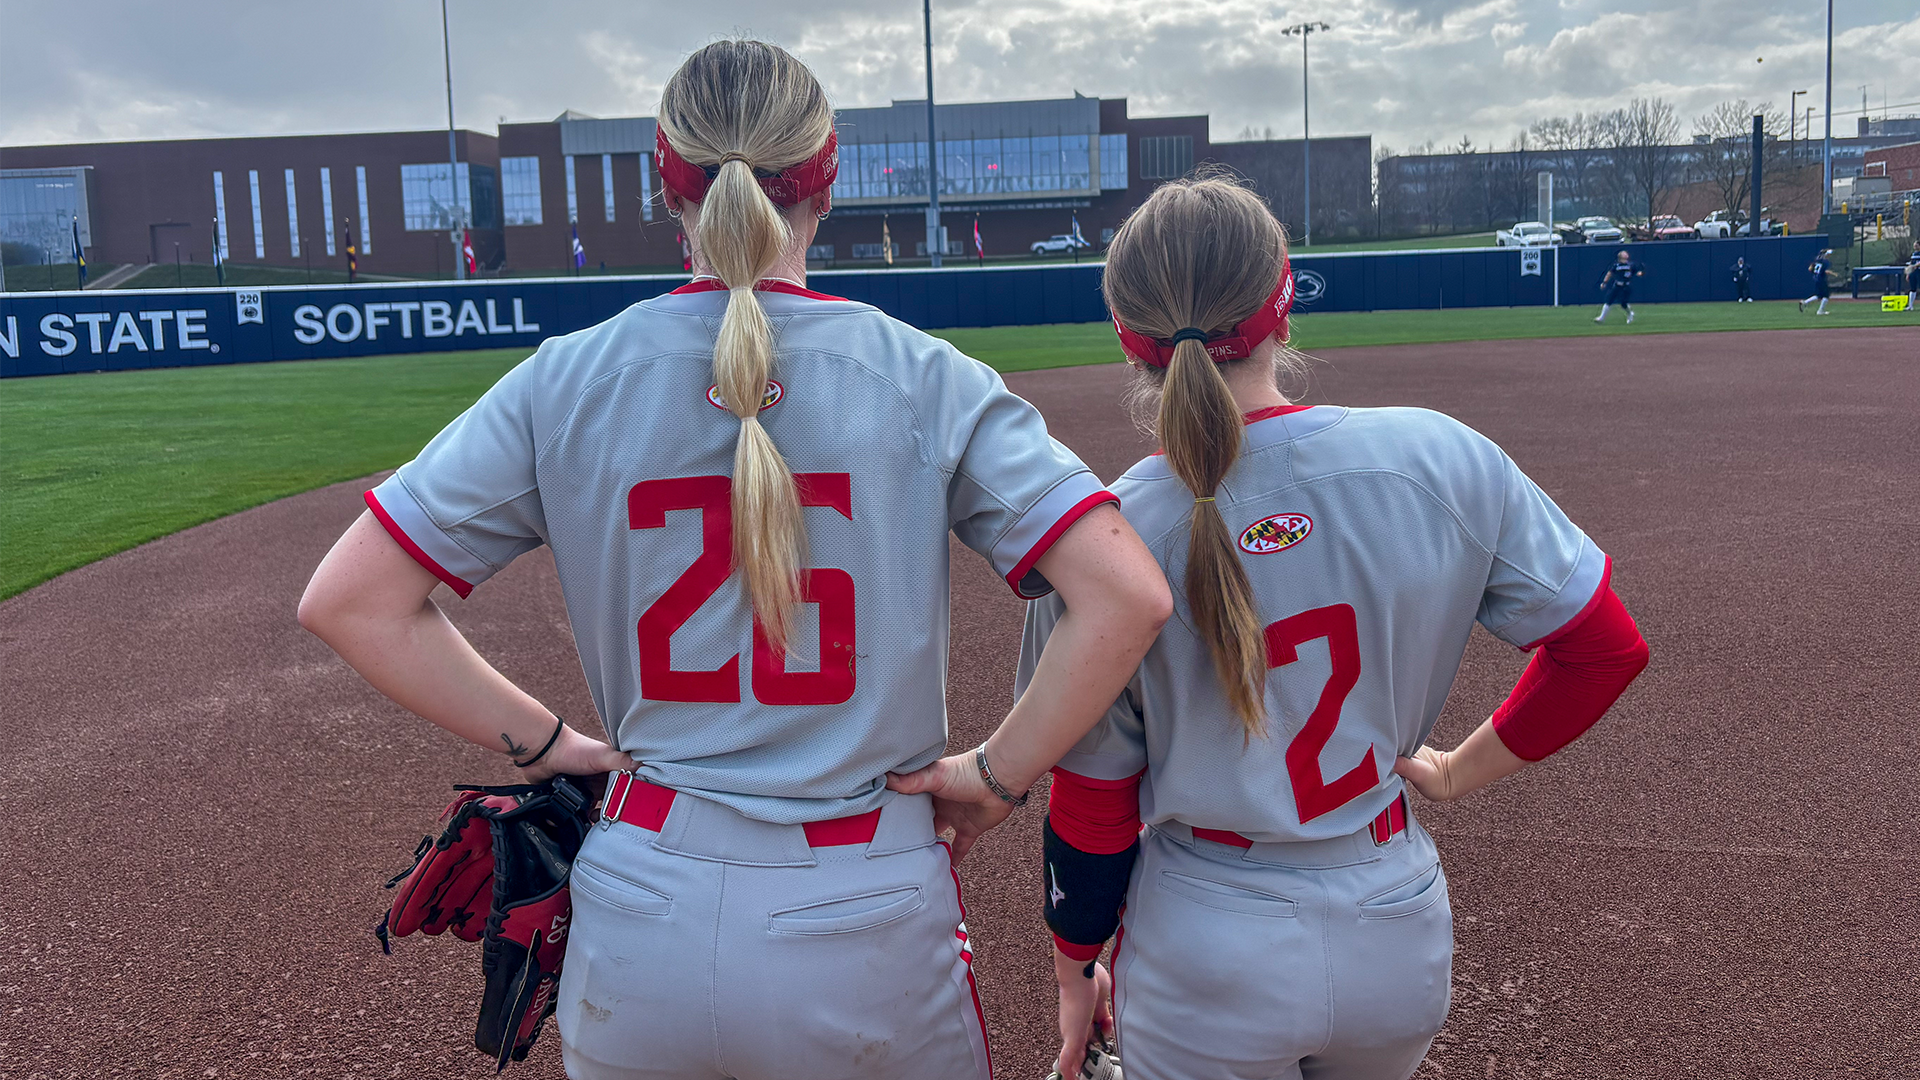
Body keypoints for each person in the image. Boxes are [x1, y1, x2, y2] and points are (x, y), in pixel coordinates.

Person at [297, 39, 1172, 1080]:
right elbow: (1124, 593)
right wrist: (995, 777)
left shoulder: (565, 380)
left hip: (645, 901)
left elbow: (352, 600)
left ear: (664, 185)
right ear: (828, 182)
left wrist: (549, 747)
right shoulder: (923, 375)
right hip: (868, 898)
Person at [1027, 176, 1650, 1080]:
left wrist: (1074, 964)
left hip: (1209, 930)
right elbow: (1603, 649)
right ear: (1285, 299)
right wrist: (1451, 772)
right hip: (1391, 918)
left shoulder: (1105, 535)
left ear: (1129, 338)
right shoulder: (1439, 455)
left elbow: (1092, 801)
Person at [1595, 249, 1642, 323]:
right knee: (1608, 301)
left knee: (1623, 303)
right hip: (1617, 285)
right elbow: (1609, 273)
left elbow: (1637, 272)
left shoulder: (1631, 265)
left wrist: (1640, 273)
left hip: (1626, 286)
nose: (1626, 254)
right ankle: (1601, 318)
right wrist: (1604, 282)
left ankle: (1630, 314)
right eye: (1624, 253)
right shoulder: (1616, 265)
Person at [1800, 248, 1834, 315]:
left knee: (1819, 296)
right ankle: (1820, 311)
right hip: (1822, 280)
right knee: (1826, 296)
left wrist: (1816, 273)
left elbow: (1809, 269)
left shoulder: (1817, 261)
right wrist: (1832, 273)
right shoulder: (1825, 262)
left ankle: (1805, 302)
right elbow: (1825, 271)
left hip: (1816, 279)